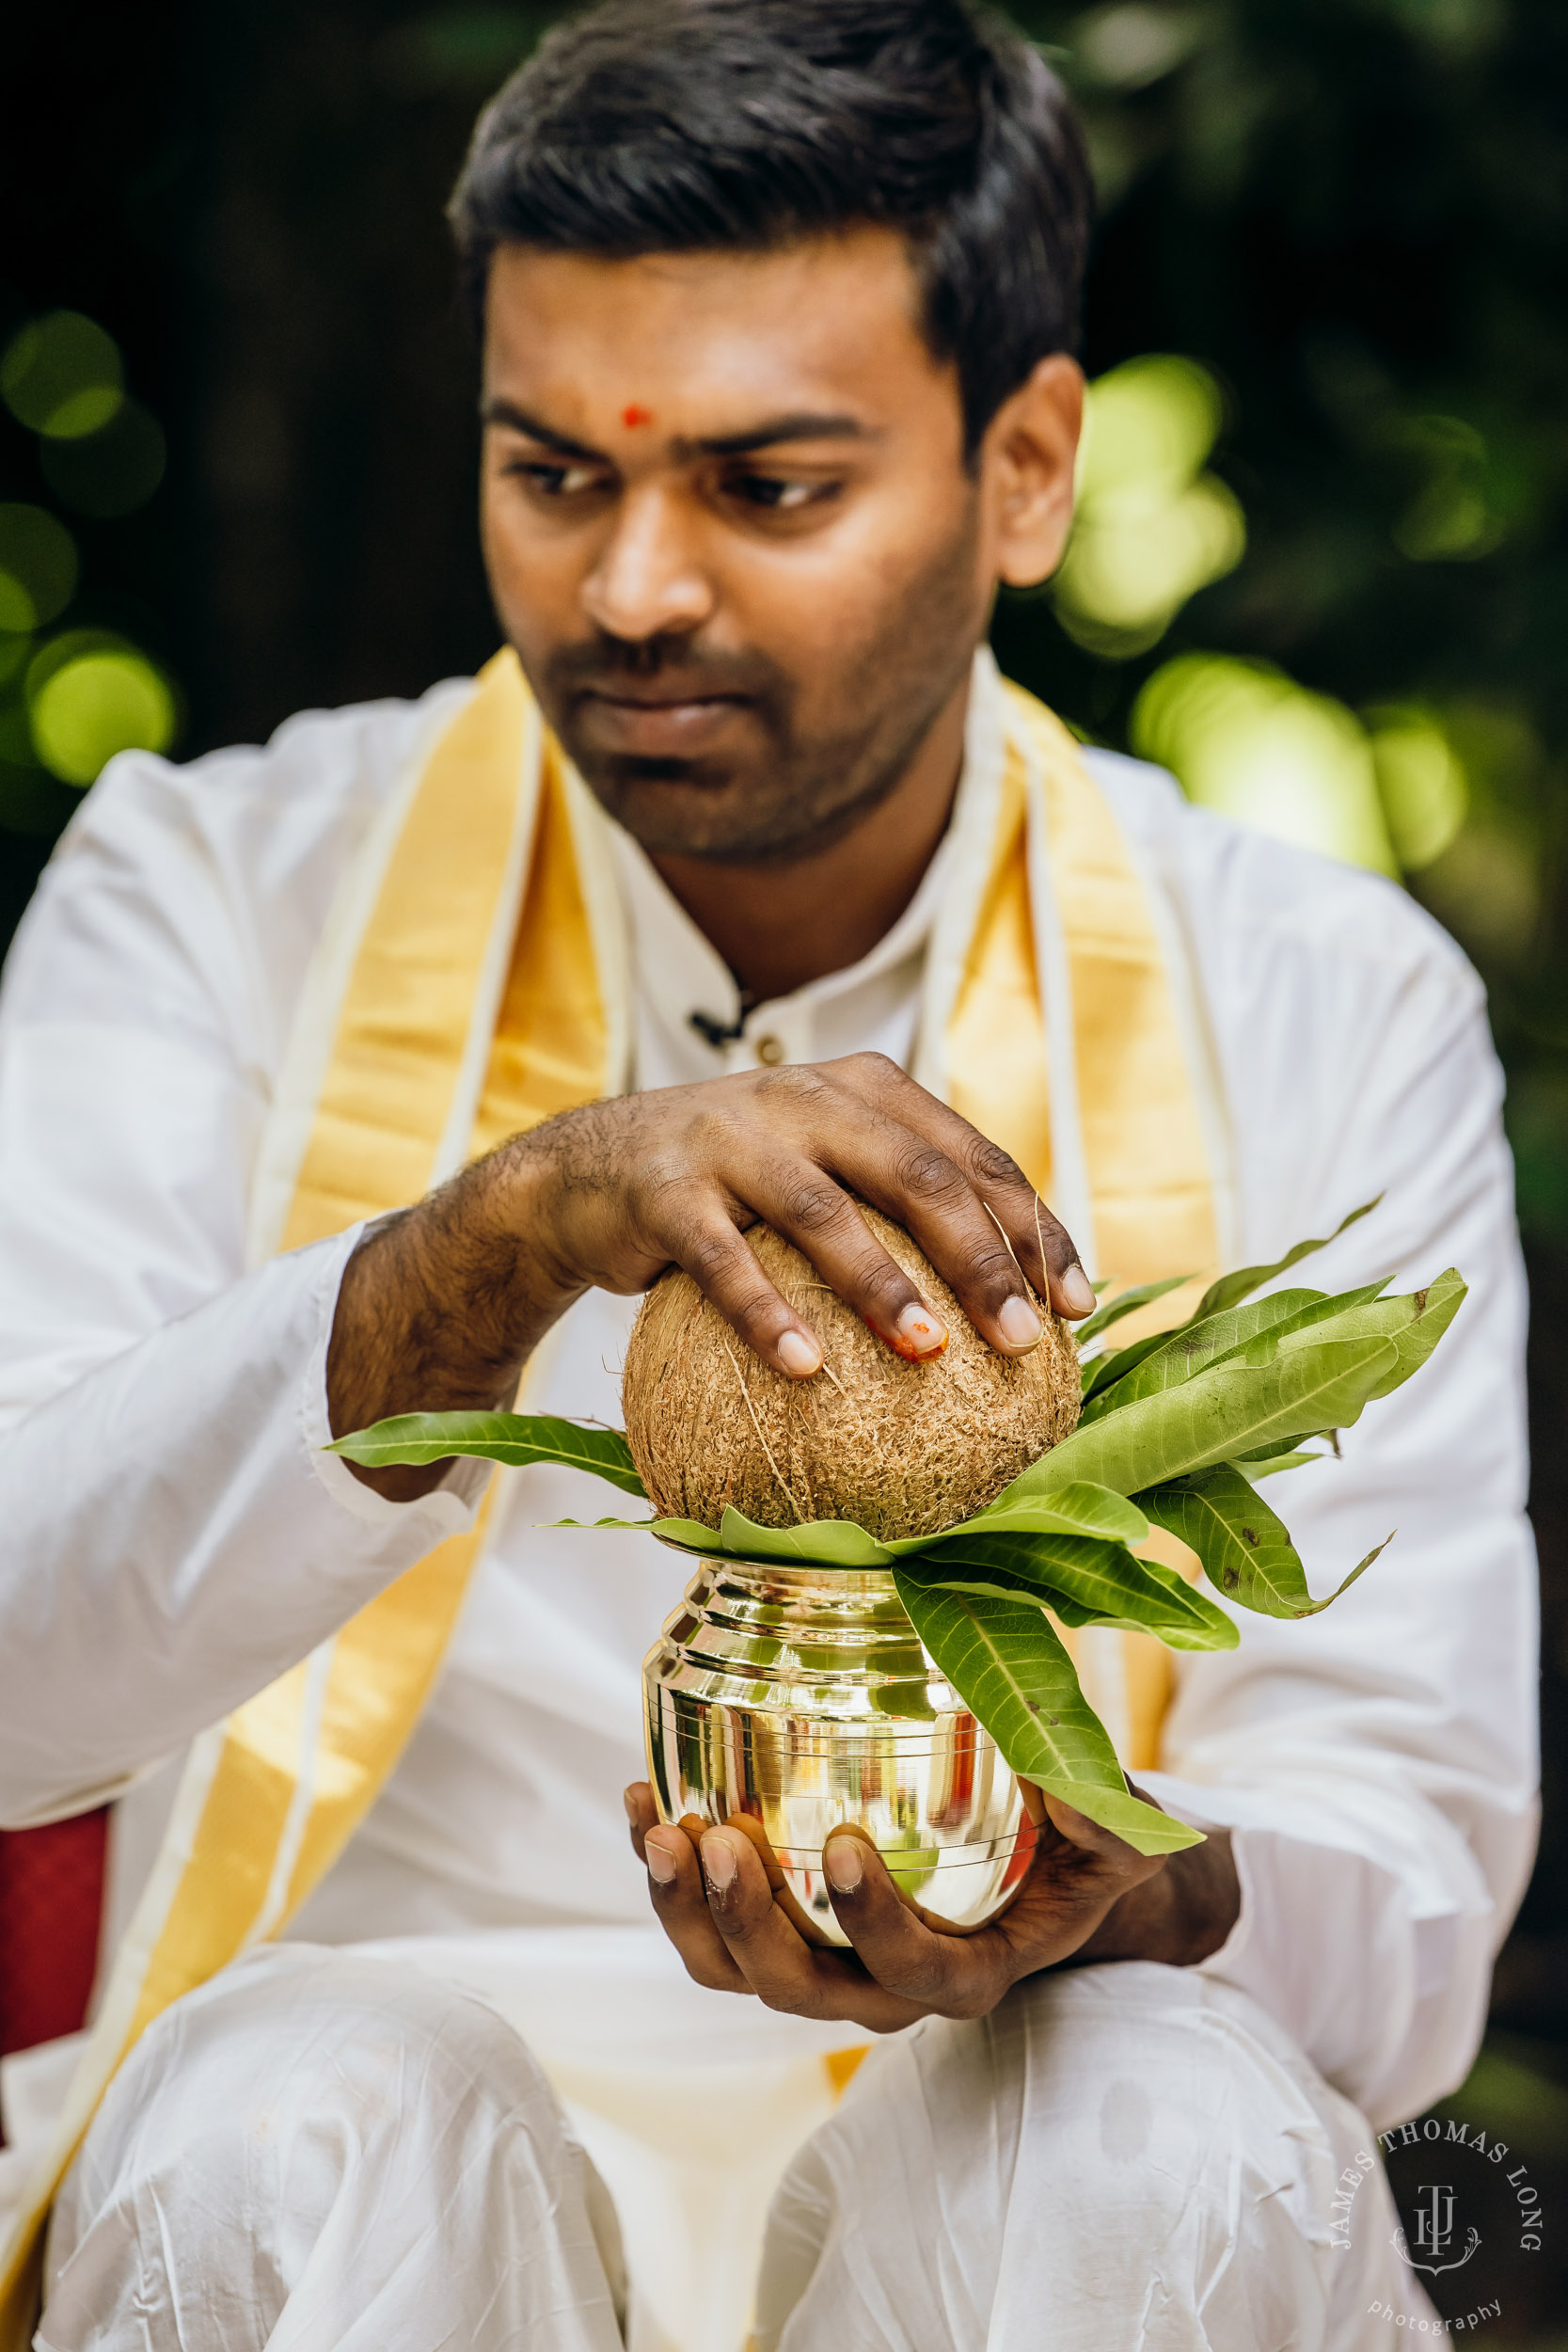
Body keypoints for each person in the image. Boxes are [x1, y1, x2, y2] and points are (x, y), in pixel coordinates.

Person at [0, 2, 1537, 2347]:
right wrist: (481, 1253)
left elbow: (1406, 1855)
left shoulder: (1322, 988)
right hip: (378, 2171)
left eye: (766, 486)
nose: (628, 590)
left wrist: (1133, 1888)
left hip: (1027, 2152)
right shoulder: (211, 890)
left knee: (1151, 2117)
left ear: (1027, 470)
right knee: (297, 2103)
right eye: (551, 472)